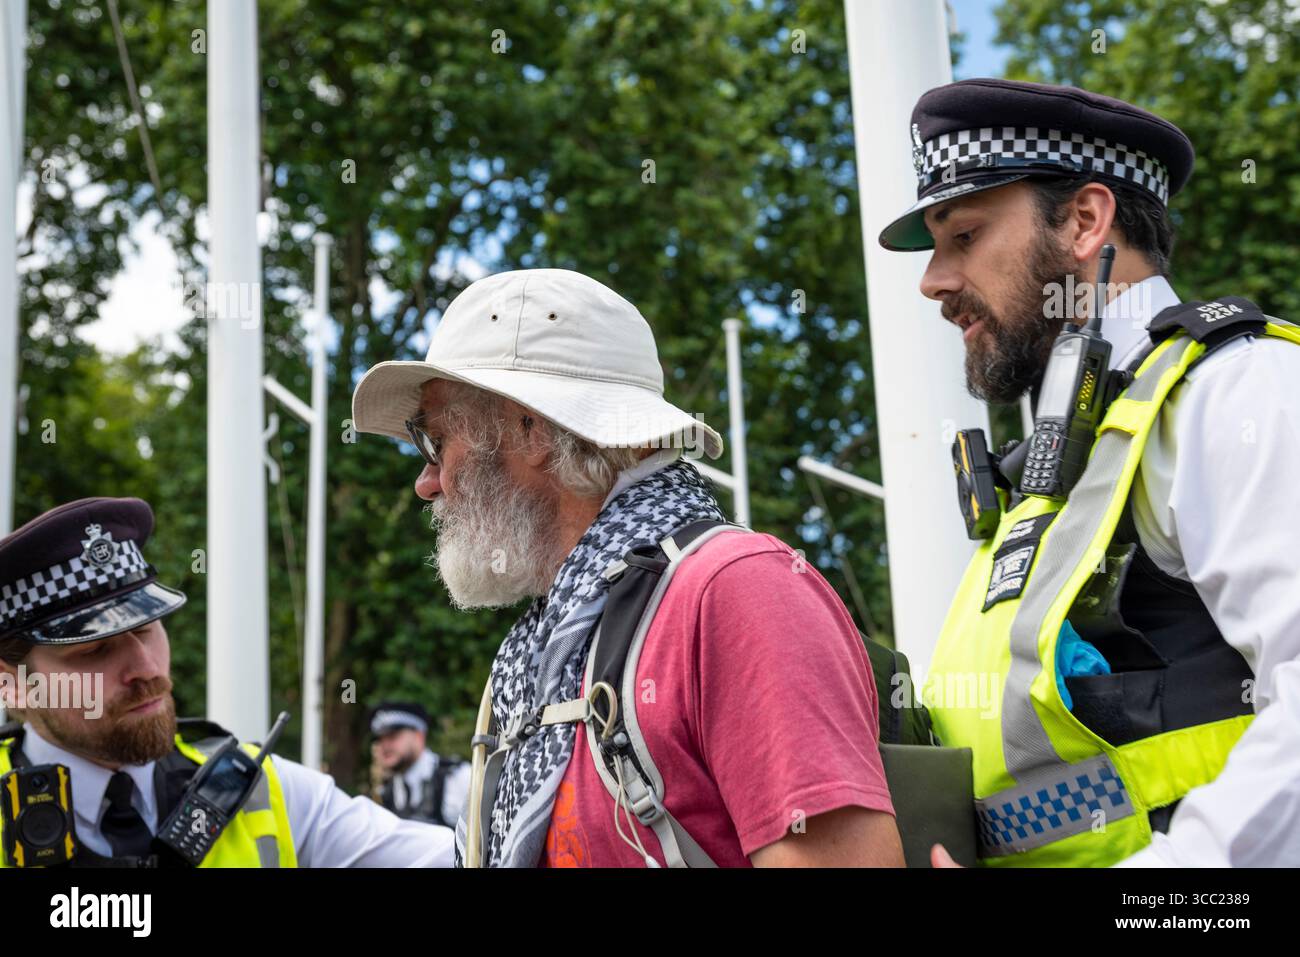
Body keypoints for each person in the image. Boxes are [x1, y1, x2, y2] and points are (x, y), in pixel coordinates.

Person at [879, 77, 1300, 867]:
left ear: (1084, 221)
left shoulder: (1236, 391)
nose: (932, 281)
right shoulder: (1050, 475)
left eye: (962, 237)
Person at [351, 268, 903, 867]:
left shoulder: (737, 591)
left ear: (529, 428)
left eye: (433, 441)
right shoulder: (549, 645)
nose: (426, 483)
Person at [0, 496, 454, 868]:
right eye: (94, 650)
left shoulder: (263, 789)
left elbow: (459, 859)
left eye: (146, 629)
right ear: (13, 684)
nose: (147, 668)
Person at [369, 700, 470, 827]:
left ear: (419, 736)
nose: (384, 745)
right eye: (380, 739)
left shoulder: (458, 777)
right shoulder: (387, 792)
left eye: (392, 736)